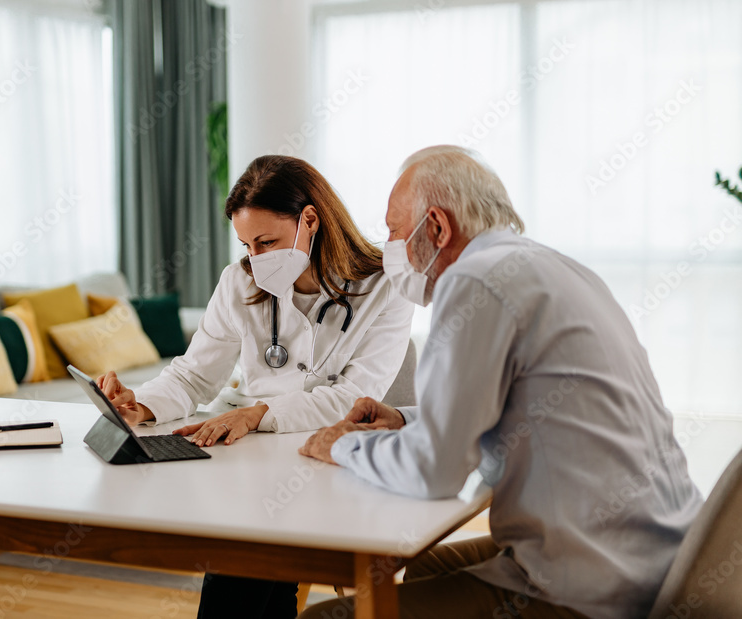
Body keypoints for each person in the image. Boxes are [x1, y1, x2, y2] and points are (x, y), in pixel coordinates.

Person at [298, 145, 703, 619]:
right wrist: (404, 421)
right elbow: (506, 407)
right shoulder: (552, 267)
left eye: (393, 231)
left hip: (588, 589)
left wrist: (341, 445)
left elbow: (435, 472)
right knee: (425, 565)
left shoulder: (475, 281)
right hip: (665, 559)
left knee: (324, 618)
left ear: (437, 227)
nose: (387, 247)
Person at [97, 154, 414, 619]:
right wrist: (139, 404)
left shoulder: (387, 286)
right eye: (247, 245)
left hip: (329, 460)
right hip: (256, 465)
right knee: (245, 555)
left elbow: (352, 399)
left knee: (245, 561)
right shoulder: (237, 283)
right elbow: (193, 375)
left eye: (267, 241)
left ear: (310, 219)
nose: (256, 259)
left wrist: (257, 413)